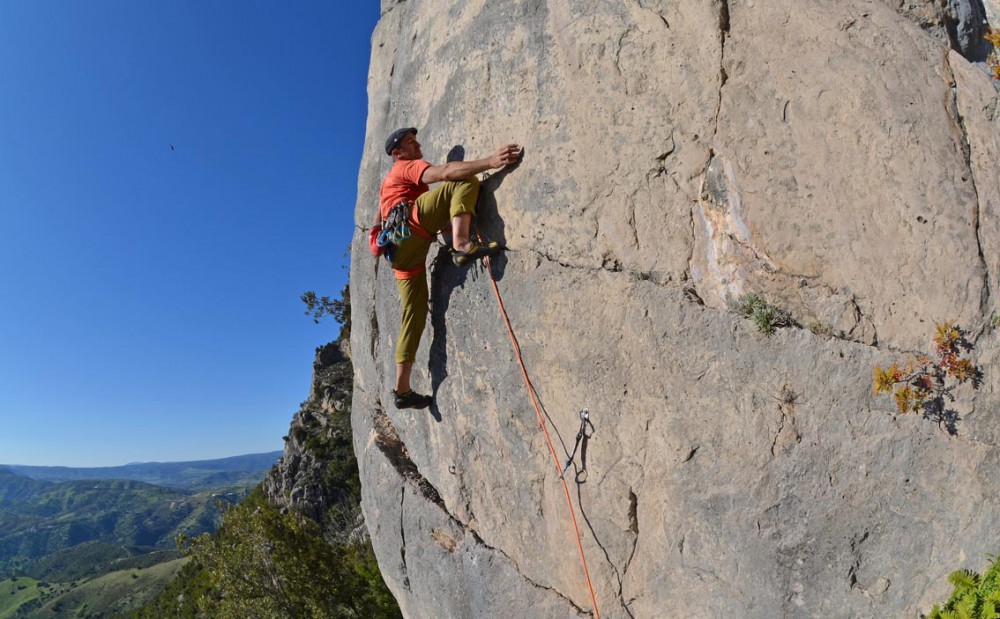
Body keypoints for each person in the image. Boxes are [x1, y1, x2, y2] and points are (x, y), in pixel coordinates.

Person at [375, 127, 522, 409]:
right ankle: (462, 244)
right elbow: (446, 174)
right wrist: (491, 162)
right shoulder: (406, 167)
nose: (417, 144)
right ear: (398, 153)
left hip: (402, 255)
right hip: (411, 230)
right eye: (409, 142)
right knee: (464, 179)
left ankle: (402, 390)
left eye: (415, 140)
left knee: (414, 315)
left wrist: (447, 217)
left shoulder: (390, 184)